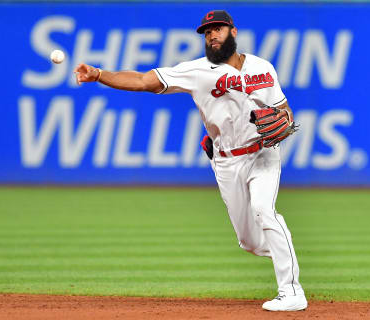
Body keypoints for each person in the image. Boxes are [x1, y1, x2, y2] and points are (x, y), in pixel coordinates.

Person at [74, 10, 307, 312]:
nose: (212, 35)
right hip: (226, 161)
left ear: (233, 32)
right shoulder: (197, 71)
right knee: (250, 241)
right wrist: (99, 74)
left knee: (265, 210)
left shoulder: (263, 67)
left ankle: (291, 291)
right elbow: (145, 81)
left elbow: (285, 110)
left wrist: (284, 120)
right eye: (206, 32)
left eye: (217, 29)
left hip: (263, 152)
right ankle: (283, 246)